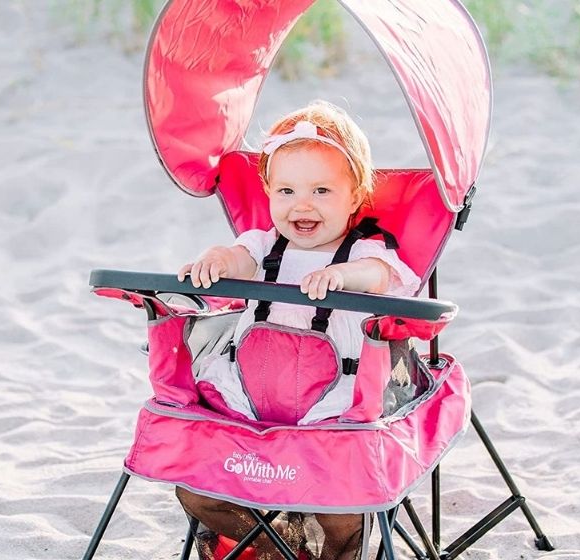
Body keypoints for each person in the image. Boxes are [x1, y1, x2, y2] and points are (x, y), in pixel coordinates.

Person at [175, 101, 419, 560]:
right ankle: (277, 545)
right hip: (249, 395)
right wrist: (217, 260)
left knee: (342, 505)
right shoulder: (264, 243)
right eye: (286, 190)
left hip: (331, 402)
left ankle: (330, 552)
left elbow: (382, 277)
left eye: (322, 190)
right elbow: (237, 258)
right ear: (268, 191)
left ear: (355, 197)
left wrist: (344, 277)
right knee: (198, 489)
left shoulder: (364, 250)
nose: (301, 204)